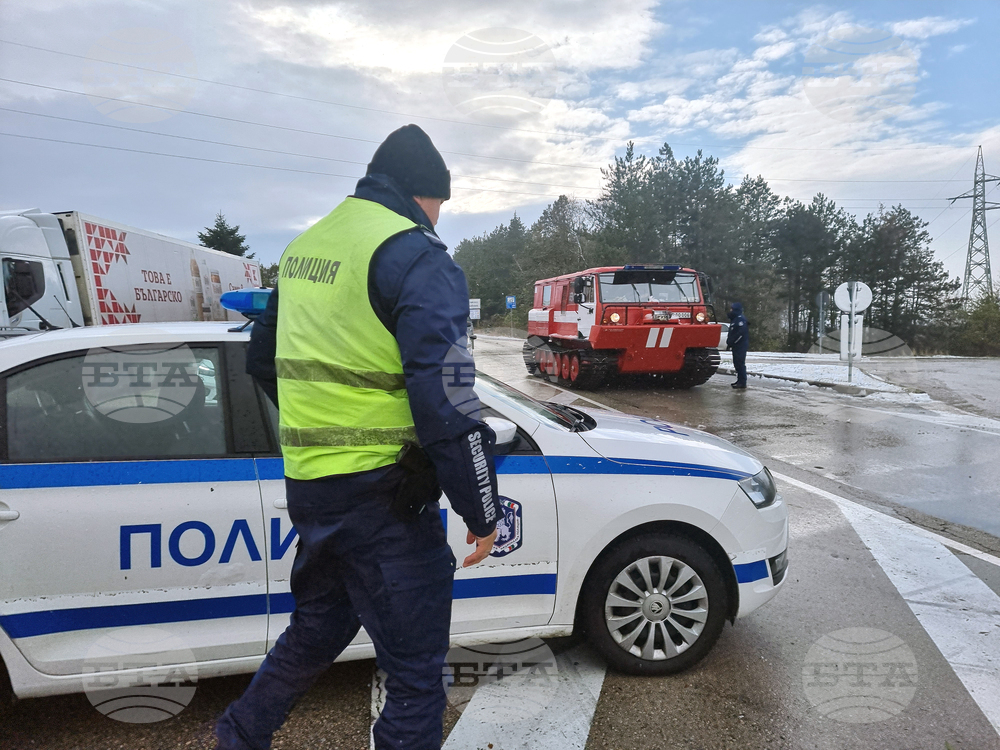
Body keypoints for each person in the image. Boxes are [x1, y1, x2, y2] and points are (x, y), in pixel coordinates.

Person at [215, 124, 502, 750]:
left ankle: (237, 736)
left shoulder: (302, 251)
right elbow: (449, 400)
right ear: (424, 194)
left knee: (315, 630)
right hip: (387, 503)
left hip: (313, 493)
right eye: (439, 205)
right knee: (416, 678)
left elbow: (263, 362)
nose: (437, 219)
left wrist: (318, 431)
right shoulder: (416, 256)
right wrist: (483, 509)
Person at [726, 301, 749, 389]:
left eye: (732, 309)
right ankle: (739, 380)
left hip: (740, 346)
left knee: (740, 363)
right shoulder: (735, 319)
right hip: (736, 346)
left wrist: (733, 342)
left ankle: (742, 382)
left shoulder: (740, 319)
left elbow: (740, 333)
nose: (730, 310)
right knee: (737, 363)